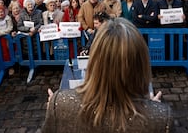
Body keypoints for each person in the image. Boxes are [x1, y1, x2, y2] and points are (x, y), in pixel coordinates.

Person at [42, 18, 173, 133]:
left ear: (94, 60)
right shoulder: (160, 117)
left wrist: (56, 110)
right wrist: (153, 111)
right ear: (141, 64)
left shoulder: (60, 104)